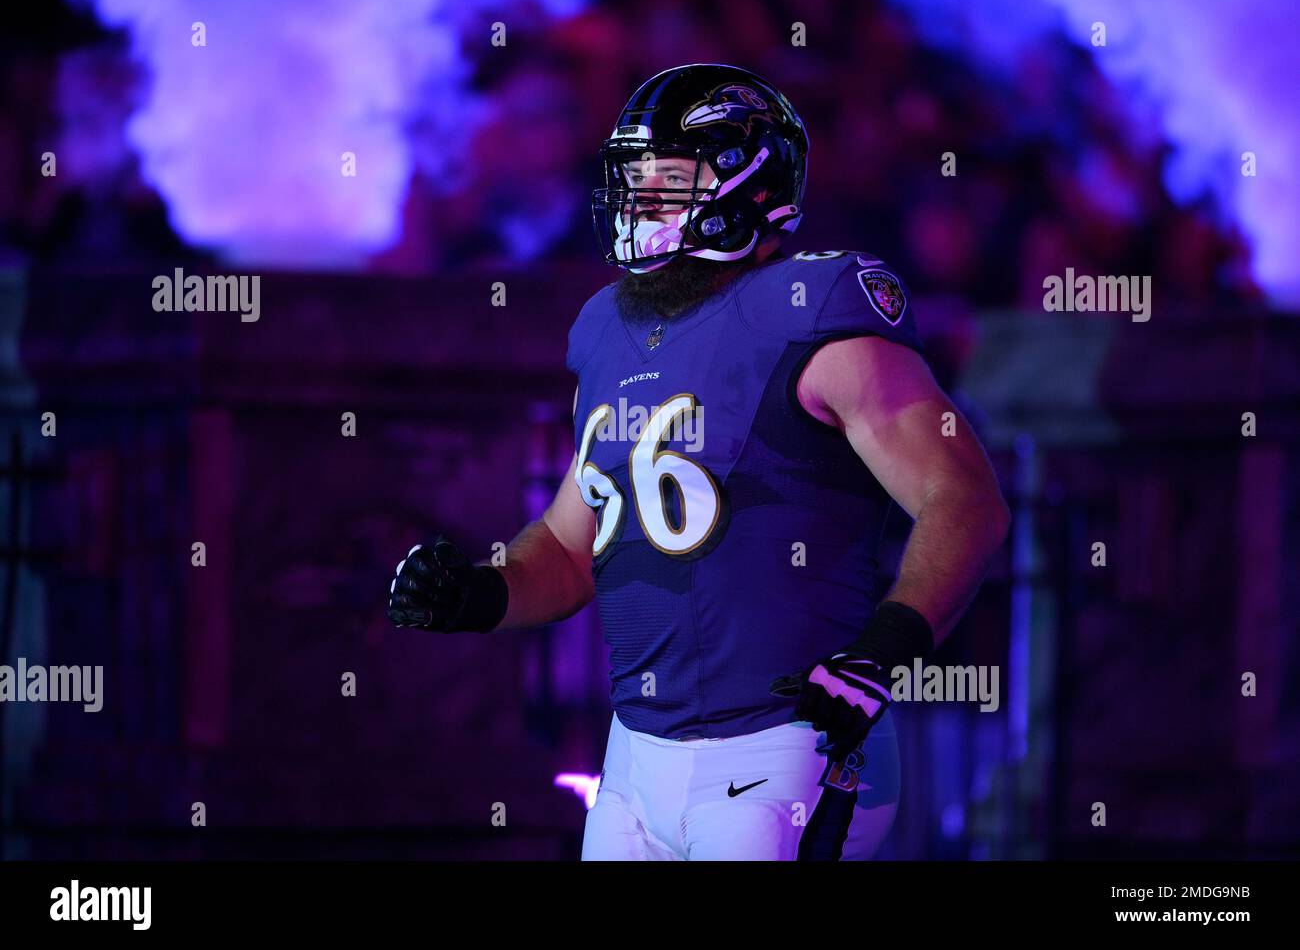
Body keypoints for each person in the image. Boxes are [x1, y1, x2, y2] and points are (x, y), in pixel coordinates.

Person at [387, 64, 1009, 860]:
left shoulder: (814, 306)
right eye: (636, 178)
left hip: (785, 739)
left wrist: (884, 649)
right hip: (636, 750)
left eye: (669, 179)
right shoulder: (609, 328)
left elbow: (963, 499)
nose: (642, 199)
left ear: (748, 181)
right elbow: (575, 544)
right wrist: (481, 590)